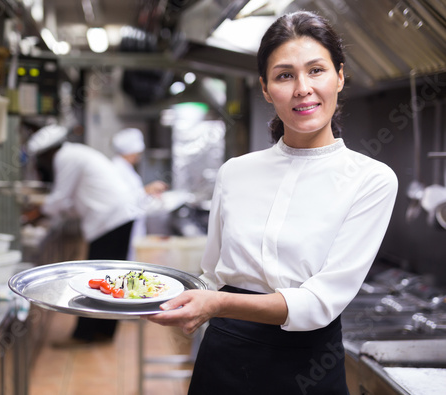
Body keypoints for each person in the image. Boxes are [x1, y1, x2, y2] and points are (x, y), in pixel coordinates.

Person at [145, 11, 398, 394]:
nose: (302, 88)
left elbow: (318, 303)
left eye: (316, 70)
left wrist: (215, 305)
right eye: (285, 75)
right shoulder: (234, 172)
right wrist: (158, 297)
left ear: (340, 77)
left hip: (308, 367)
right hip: (223, 360)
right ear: (265, 88)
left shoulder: (372, 180)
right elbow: (212, 275)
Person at [27, 124, 137, 345]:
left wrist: (32, 215)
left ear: (49, 152)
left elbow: (59, 198)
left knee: (95, 279)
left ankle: (84, 335)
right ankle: (104, 330)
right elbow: (71, 201)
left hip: (110, 221)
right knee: (112, 278)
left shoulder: (65, 158)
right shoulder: (75, 154)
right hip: (117, 217)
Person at [110, 128, 168, 260]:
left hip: (133, 223)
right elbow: (123, 199)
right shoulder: (117, 168)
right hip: (124, 223)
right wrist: (147, 190)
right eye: (137, 153)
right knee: (126, 258)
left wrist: (148, 192)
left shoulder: (125, 167)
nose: (138, 156)